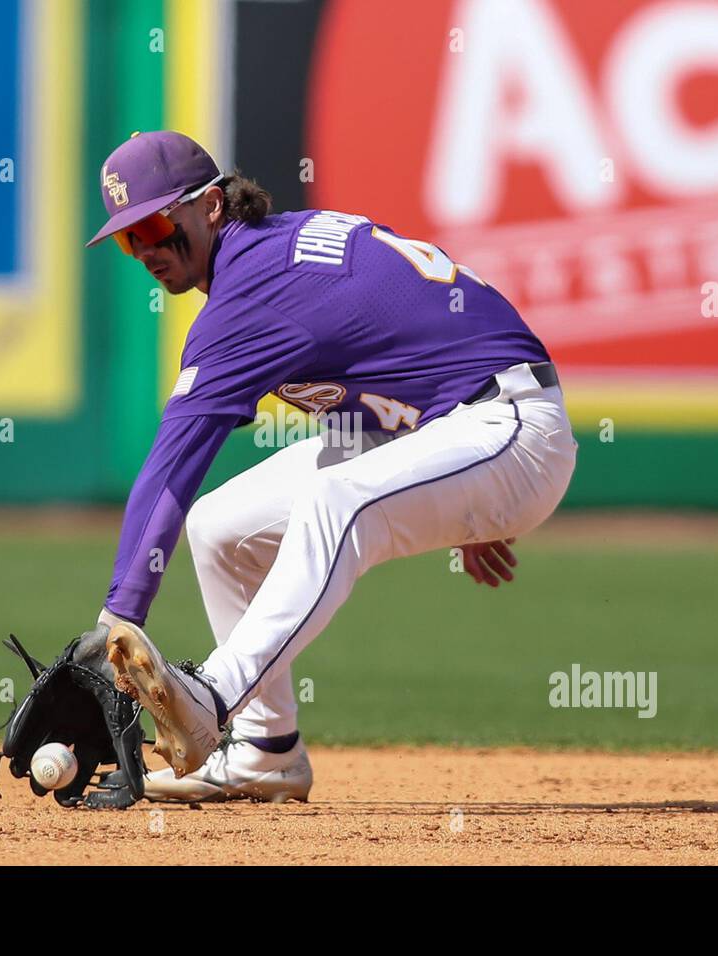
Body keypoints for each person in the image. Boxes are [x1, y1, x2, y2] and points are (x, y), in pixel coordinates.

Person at [86, 130, 577, 803]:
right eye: (127, 239)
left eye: (153, 226)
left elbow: (173, 463)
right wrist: (453, 487)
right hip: (450, 429)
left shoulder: (252, 290)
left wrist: (117, 618)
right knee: (220, 526)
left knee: (333, 498)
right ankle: (264, 751)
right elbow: (411, 329)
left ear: (211, 206)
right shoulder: (268, 257)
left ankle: (213, 698)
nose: (145, 250)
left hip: (513, 427)